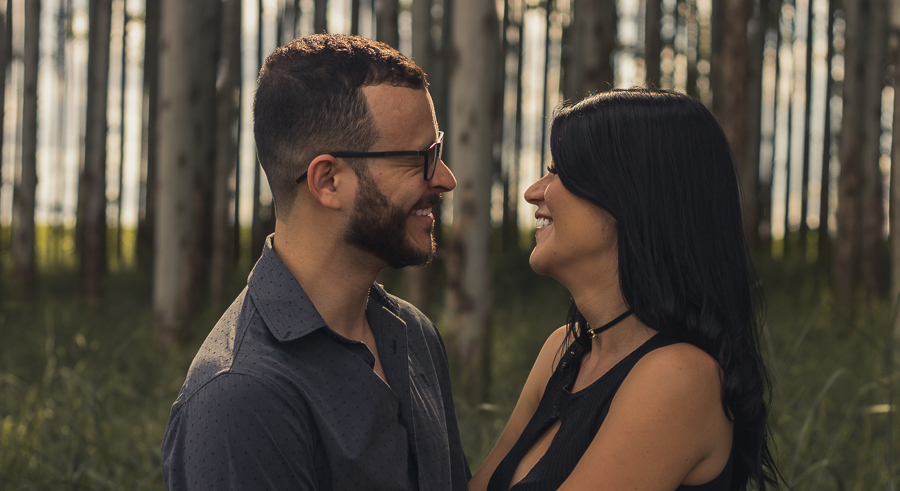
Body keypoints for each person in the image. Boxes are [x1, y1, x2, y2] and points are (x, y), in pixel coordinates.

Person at [162, 34, 469, 491]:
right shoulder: (240, 396)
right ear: (327, 181)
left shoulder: (413, 334)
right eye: (418, 160)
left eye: (437, 151)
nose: (445, 179)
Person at [469, 89, 780, 491]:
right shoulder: (562, 352)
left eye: (558, 171)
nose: (533, 192)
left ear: (628, 196)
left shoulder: (679, 377)